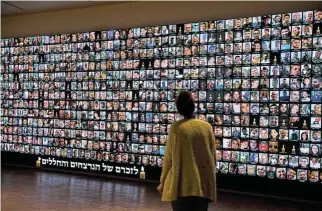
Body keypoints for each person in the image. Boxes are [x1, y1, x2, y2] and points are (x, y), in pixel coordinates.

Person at [158, 91, 216, 211]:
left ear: (179, 109)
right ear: (193, 107)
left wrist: (162, 182)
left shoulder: (176, 128)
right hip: (202, 187)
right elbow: (212, 159)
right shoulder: (207, 128)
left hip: (181, 188)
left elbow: (168, 160)